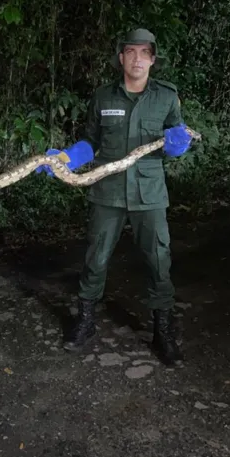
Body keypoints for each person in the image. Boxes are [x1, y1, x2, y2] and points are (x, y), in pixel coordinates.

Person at [38, 28, 193, 365]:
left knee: (158, 260)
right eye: (130, 52)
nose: (137, 58)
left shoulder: (167, 97)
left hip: (149, 193)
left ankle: (162, 330)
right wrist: (63, 159)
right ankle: (85, 320)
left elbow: (175, 138)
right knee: (95, 258)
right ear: (121, 57)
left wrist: (179, 145)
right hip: (106, 192)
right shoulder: (103, 97)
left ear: (152, 59)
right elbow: (90, 142)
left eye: (144, 52)